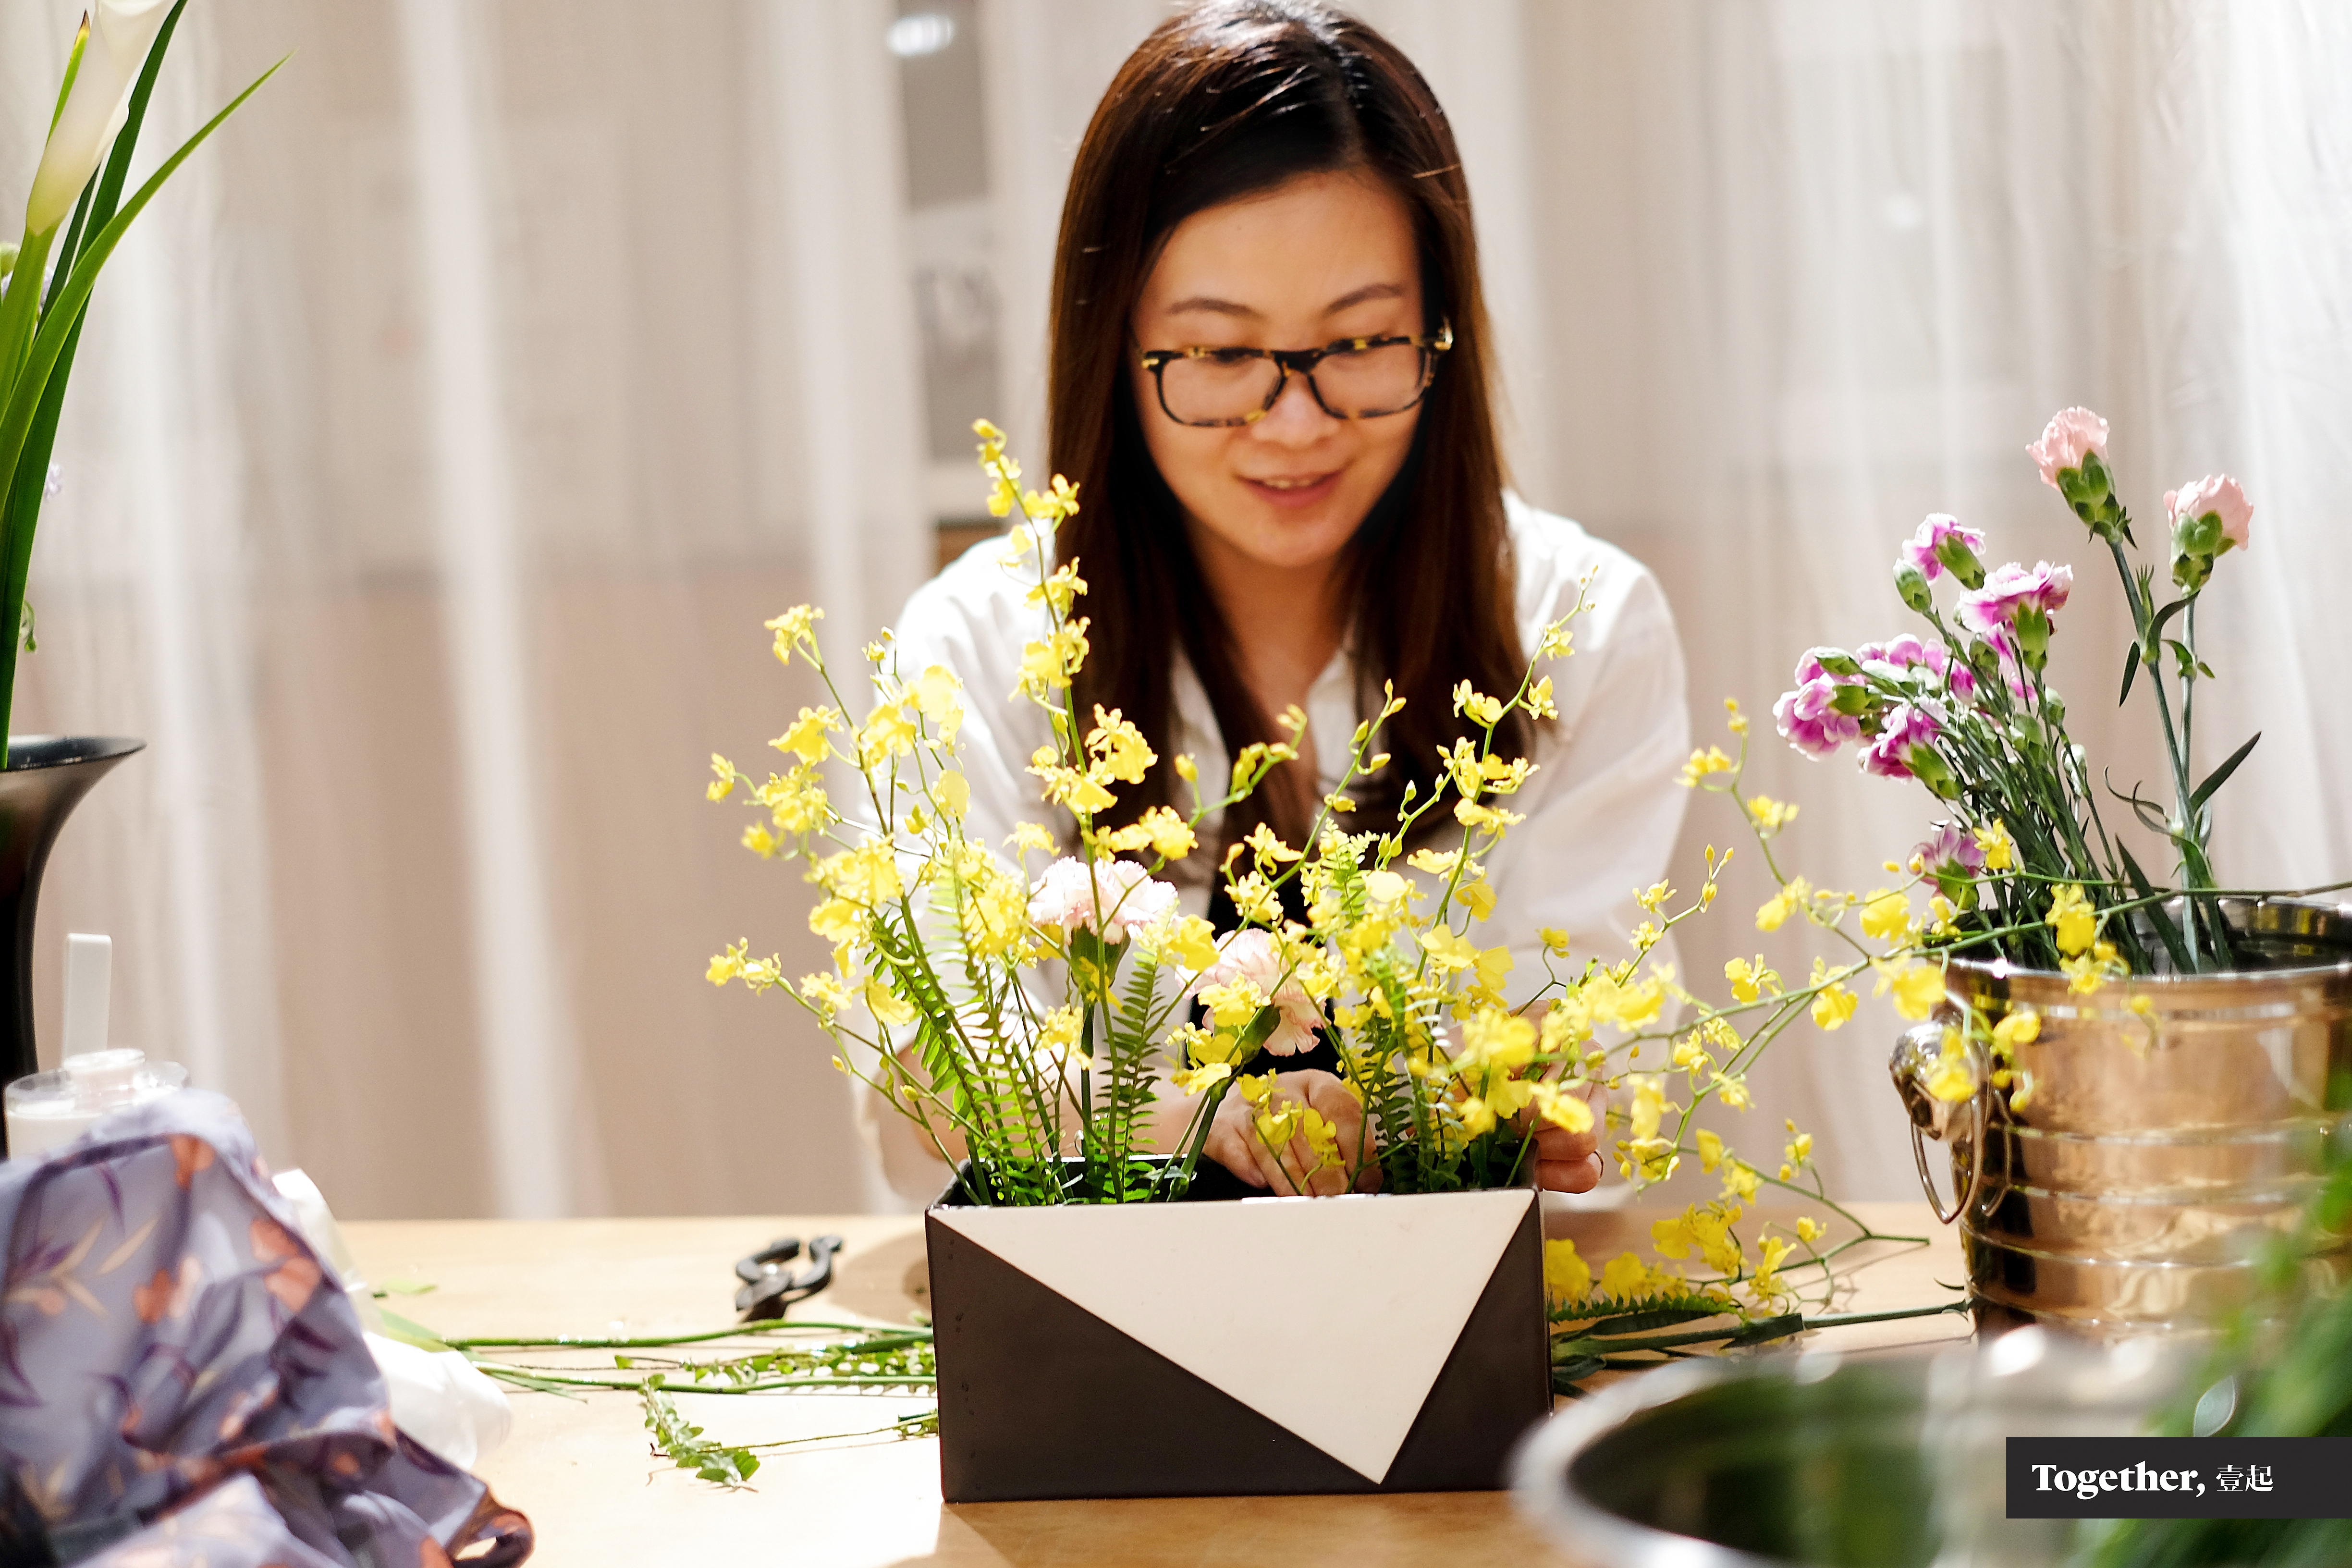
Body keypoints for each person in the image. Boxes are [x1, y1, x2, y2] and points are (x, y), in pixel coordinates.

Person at [874, 0, 1690, 1203]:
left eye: (1360, 342)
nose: (1295, 422)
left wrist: (1495, 1108)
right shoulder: (982, 644)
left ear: (1440, 336)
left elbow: (1603, 1093)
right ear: (1116, 347)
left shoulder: (1577, 620)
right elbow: (930, 1099)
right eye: (1218, 354)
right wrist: (1234, 1117)